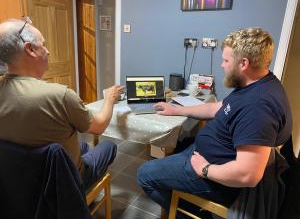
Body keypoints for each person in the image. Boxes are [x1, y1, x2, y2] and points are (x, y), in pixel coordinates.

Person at [137, 27, 292, 215]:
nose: (222, 65)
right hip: (204, 156)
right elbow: (217, 107)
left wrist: (205, 169)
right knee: (176, 147)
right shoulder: (255, 83)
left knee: (145, 174)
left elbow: (247, 175)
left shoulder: (258, 107)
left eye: (226, 60)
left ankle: (189, 213)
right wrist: (176, 110)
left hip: (215, 177)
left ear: (243, 63)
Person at [0, 18, 124, 190]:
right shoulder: (60, 95)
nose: (48, 51)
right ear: (30, 49)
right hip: (64, 183)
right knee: (108, 146)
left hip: (19, 181)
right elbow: (99, 126)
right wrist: (110, 98)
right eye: (43, 45)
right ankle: (81, 199)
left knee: (83, 146)